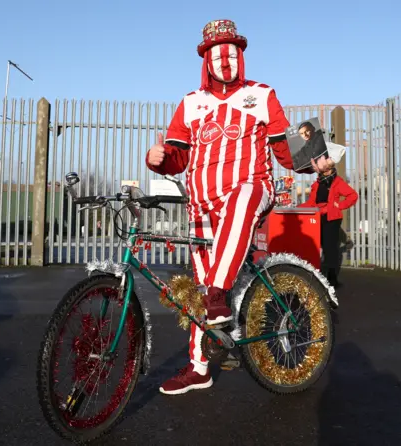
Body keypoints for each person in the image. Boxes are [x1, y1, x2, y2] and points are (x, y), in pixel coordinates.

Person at [145, 19, 332, 395]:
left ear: (241, 55)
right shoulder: (190, 104)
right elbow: (178, 158)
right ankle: (199, 367)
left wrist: (312, 162)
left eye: (232, 50)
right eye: (217, 51)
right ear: (206, 59)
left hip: (250, 189)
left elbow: (283, 151)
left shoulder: (262, 96)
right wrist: (160, 160)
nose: (225, 58)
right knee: (198, 287)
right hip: (200, 204)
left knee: (242, 199)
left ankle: (220, 295)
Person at [298, 159, 358, 290]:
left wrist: (340, 205)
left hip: (332, 218)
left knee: (330, 248)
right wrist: (296, 208)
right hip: (318, 217)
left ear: (332, 169)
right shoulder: (317, 184)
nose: (326, 172)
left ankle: (332, 280)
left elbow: (353, 196)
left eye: (329, 169)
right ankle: (320, 276)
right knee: (316, 246)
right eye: (325, 169)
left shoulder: (338, 182)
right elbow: (311, 203)